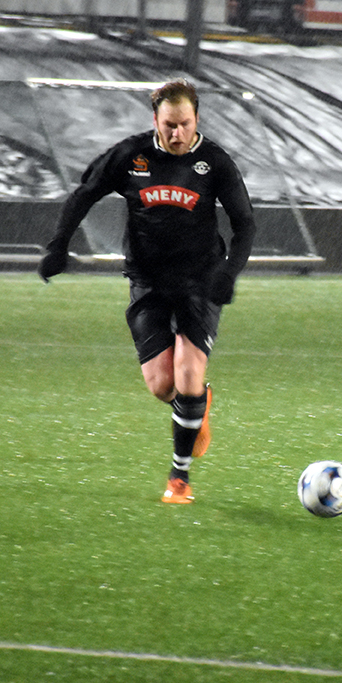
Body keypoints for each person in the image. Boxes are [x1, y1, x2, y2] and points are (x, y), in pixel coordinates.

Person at [38, 79, 255, 503]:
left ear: (197, 119)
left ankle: (179, 478)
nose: (178, 133)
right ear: (155, 119)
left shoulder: (214, 162)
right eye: (170, 124)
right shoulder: (131, 156)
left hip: (199, 281)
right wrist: (58, 245)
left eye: (185, 124)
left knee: (188, 373)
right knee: (161, 386)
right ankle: (197, 405)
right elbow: (84, 194)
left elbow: (245, 223)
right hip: (148, 281)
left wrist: (229, 273)